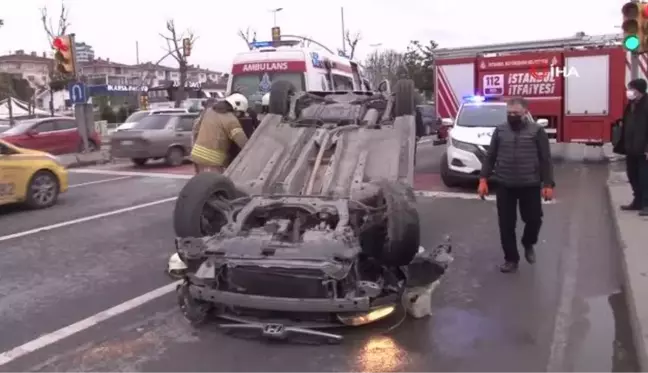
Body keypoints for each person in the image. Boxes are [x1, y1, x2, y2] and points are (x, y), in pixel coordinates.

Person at [478, 97, 555, 273]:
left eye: (516, 113)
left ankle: (528, 242)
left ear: (525, 113)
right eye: (509, 113)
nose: (512, 116)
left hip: (530, 184)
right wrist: (483, 179)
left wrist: (548, 184)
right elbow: (491, 156)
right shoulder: (500, 131)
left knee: (534, 220)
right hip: (505, 184)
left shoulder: (537, 131)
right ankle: (511, 259)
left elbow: (546, 159)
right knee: (506, 224)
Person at [190, 93, 249, 173]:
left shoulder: (209, 111)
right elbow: (242, 142)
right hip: (212, 159)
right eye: (240, 113)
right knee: (216, 183)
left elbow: (196, 129)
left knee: (201, 182)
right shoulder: (231, 120)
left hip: (196, 154)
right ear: (236, 108)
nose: (239, 116)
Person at [619, 78, 648, 216]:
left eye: (632, 89)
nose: (629, 92)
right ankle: (637, 201)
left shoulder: (646, 105)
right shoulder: (631, 105)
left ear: (640, 91)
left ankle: (646, 204)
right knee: (632, 175)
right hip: (631, 148)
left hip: (643, 149)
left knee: (644, 177)